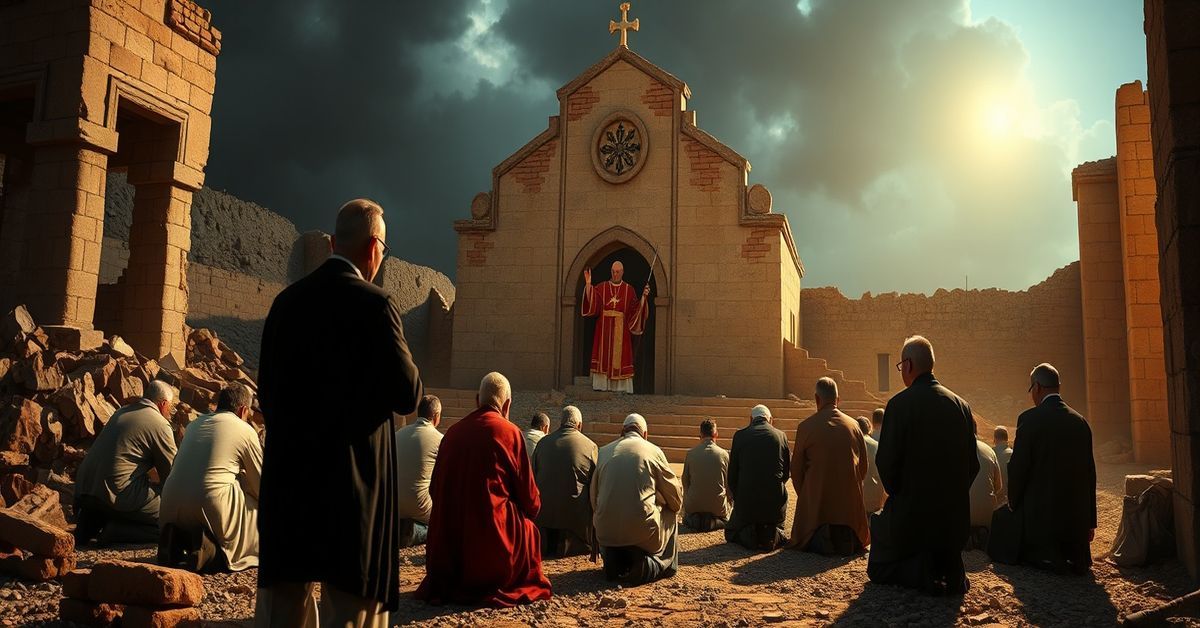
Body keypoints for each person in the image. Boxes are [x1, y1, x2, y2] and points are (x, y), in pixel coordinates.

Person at [255, 199, 424, 628]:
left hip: (290, 486)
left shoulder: (285, 304)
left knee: (283, 611)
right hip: (352, 491)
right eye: (384, 249)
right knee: (349, 613)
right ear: (373, 248)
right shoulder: (376, 306)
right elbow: (408, 395)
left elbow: (267, 396)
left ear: (332, 242)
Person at [417, 372, 551, 606]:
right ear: (507, 404)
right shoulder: (510, 433)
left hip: (451, 556)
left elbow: (434, 490)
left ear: (477, 399)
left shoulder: (452, 433)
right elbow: (532, 503)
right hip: (492, 552)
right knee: (529, 532)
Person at [867, 336, 979, 596]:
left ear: (907, 365)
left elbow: (886, 464)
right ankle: (947, 570)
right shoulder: (961, 407)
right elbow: (972, 465)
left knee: (878, 567)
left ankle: (923, 571)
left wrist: (901, 496)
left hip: (911, 518)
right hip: (953, 521)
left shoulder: (898, 405)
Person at [989, 363, 1096, 574]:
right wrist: (1090, 522)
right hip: (1074, 523)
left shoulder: (1029, 420)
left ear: (1036, 387)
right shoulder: (1080, 422)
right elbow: (1090, 475)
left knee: (1000, 518)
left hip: (1041, 519)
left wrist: (1013, 501)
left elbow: (1019, 468)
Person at [159, 383, 263, 572]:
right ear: (243, 410)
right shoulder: (245, 430)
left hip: (168, 508)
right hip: (207, 507)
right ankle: (212, 553)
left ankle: (178, 539)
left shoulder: (194, 425)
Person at [74, 380, 178, 544]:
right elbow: (173, 477)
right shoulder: (159, 423)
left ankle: (92, 522)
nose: (171, 412)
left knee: (137, 484)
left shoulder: (121, 412)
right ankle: (117, 531)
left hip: (84, 490)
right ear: (163, 404)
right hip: (114, 496)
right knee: (173, 519)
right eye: (171, 407)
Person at [592, 414, 682, 584]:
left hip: (606, 534)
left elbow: (593, 499)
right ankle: (655, 565)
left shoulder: (603, 452)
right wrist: (660, 501)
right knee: (671, 511)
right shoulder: (653, 451)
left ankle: (613, 560)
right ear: (645, 434)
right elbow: (676, 500)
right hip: (643, 533)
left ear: (622, 432)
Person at [788, 378, 870, 555]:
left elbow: (796, 472)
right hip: (849, 514)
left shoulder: (806, 427)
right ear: (838, 400)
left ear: (817, 399)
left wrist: (809, 497)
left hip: (816, 511)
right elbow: (863, 468)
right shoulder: (854, 426)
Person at [533, 405, 598, 558]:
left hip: (544, 520)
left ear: (559, 423)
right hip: (574, 523)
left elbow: (534, 478)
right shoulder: (590, 446)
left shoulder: (542, 444)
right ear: (579, 426)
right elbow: (597, 487)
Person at [725, 405, 790, 552]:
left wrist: (738, 497)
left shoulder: (740, 436)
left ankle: (749, 532)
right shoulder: (781, 436)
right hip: (774, 506)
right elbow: (786, 474)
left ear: (750, 419)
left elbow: (732, 475)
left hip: (746, 505)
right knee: (780, 501)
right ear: (770, 420)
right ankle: (775, 531)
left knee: (731, 532)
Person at [581, 260, 650, 393]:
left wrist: (644, 297)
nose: (615, 274)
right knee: (603, 354)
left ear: (623, 272)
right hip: (604, 328)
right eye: (613, 271)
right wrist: (589, 284)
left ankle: (620, 387)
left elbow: (635, 310)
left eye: (618, 272)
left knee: (621, 357)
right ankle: (602, 385)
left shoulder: (629, 290)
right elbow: (593, 303)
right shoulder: (602, 287)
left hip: (621, 328)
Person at [394, 394, 443, 548]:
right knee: (441, 525)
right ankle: (415, 532)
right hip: (419, 507)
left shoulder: (398, 434)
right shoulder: (440, 440)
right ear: (436, 416)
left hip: (393, 504)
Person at [681, 418, 731, 532]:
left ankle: (695, 519)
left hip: (694, 506)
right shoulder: (724, 454)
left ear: (701, 434)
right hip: (718, 507)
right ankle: (714, 522)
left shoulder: (691, 454)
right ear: (716, 434)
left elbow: (685, 482)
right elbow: (728, 485)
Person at [967, 432, 1004, 549]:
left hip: (963, 513)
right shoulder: (989, 450)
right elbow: (999, 486)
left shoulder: (954, 446)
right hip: (989, 514)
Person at [856, 416, 886, 514]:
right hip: (874, 498)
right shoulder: (877, 445)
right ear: (869, 428)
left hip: (856, 497)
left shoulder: (851, 444)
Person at [993, 426, 1013, 502]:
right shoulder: (1013, 454)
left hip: (995, 501)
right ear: (1007, 439)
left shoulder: (991, 454)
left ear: (995, 439)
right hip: (1009, 500)